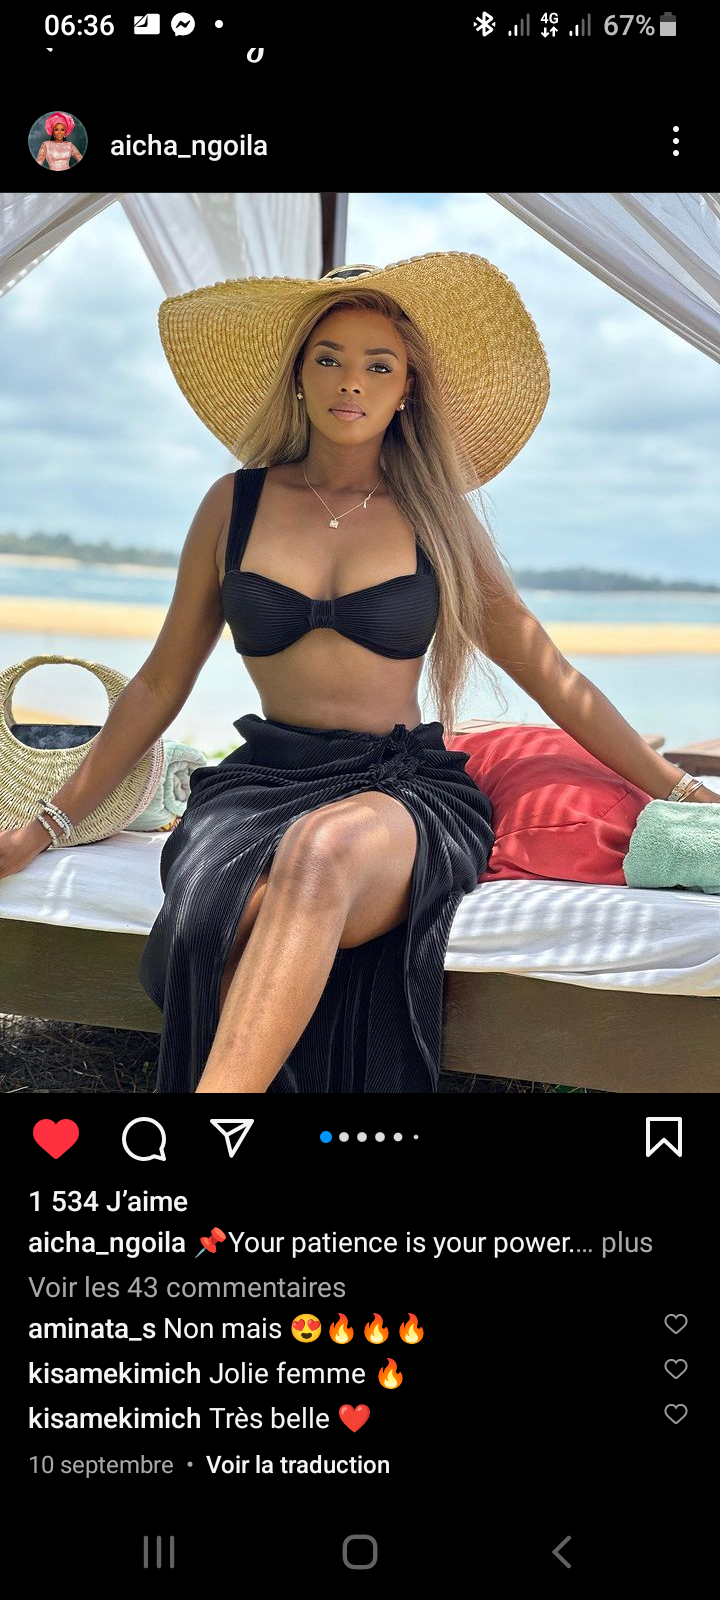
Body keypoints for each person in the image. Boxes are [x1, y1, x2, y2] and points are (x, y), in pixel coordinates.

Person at [1, 252, 717, 1095]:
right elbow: (160, 682)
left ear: (407, 389)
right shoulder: (234, 504)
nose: (352, 381)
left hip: (400, 787)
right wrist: (44, 825)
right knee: (226, 912)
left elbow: (552, 675)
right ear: (299, 376)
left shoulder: (436, 520)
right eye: (330, 358)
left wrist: (682, 791)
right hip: (262, 782)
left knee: (323, 849)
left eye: (380, 366)